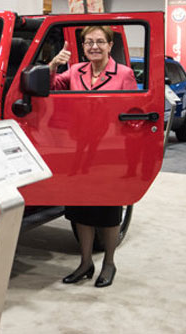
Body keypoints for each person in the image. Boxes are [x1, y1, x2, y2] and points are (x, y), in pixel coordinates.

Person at [48, 25, 137, 288]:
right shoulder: (75, 70)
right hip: (78, 149)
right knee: (79, 210)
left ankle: (109, 263)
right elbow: (51, 85)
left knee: (109, 210)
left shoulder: (124, 74)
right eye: (88, 42)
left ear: (110, 45)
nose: (94, 46)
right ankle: (85, 263)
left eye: (100, 41)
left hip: (109, 151)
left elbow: (132, 111)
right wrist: (53, 64)